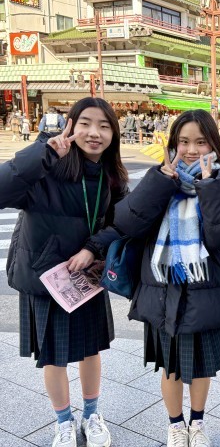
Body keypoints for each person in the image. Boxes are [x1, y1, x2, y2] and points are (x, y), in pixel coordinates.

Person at [114, 110, 220, 447]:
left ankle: (197, 424)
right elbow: (128, 223)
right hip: (162, 290)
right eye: (184, 141)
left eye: (200, 142)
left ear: (213, 145)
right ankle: (176, 425)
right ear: (172, 144)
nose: (191, 150)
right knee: (170, 367)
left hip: (203, 291)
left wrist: (211, 188)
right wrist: (160, 181)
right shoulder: (159, 178)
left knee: (201, 367)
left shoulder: (218, 182)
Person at [0, 97, 129, 447]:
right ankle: (63, 422)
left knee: (91, 350)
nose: (94, 133)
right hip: (46, 278)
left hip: (85, 280)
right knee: (53, 357)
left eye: (104, 126)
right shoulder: (46, 168)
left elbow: (122, 225)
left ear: (114, 134)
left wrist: (93, 248)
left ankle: (91, 415)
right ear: (70, 126)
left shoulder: (113, 177)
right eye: (85, 123)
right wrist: (44, 151)